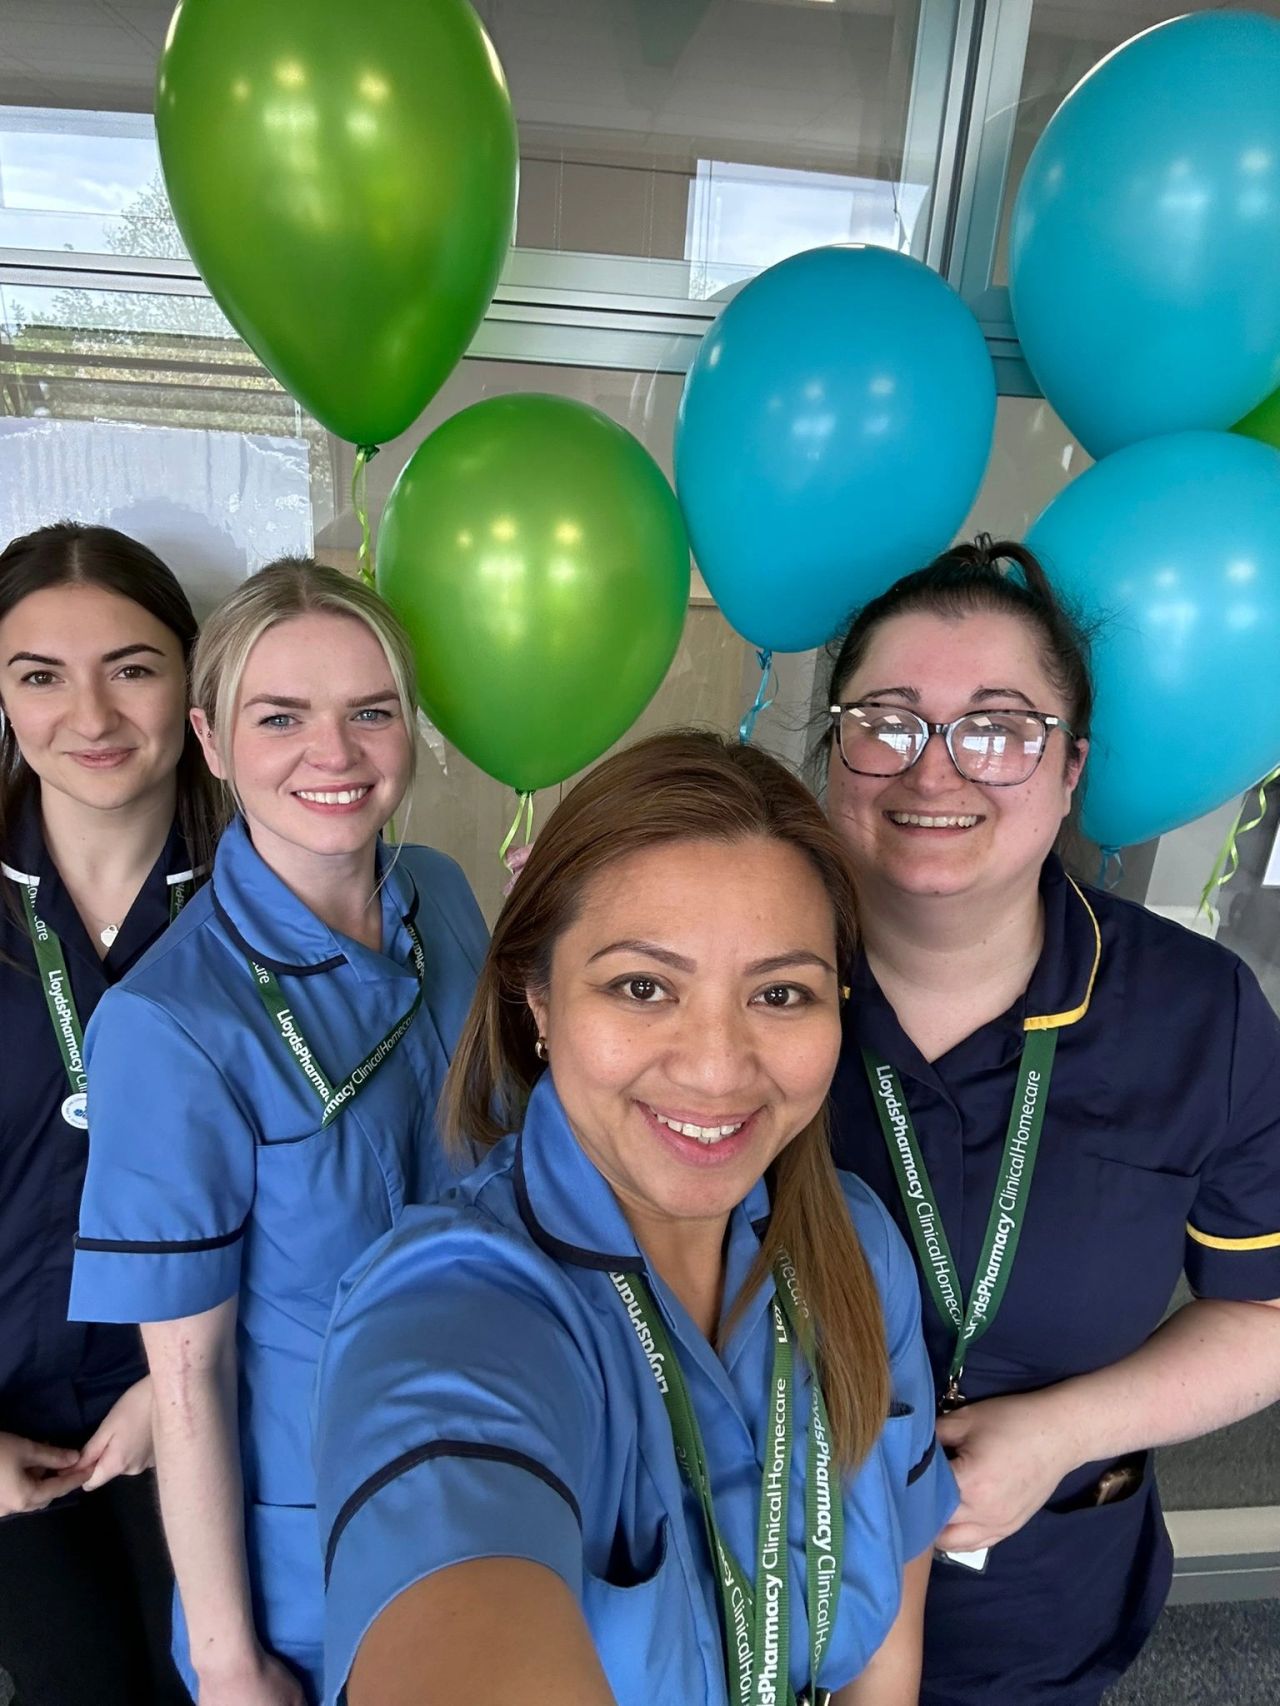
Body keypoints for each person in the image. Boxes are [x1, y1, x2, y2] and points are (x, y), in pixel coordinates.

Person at [314, 730, 958, 1706]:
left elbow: (887, 1650)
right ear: (535, 997)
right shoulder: (455, 1302)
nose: (714, 1064)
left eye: (779, 991)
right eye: (642, 985)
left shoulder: (858, 1244)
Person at [822, 537, 1280, 1706]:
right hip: (744, 1577)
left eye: (996, 726)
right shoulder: (739, 977)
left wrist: (1054, 1432)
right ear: (834, 751)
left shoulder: (1193, 1012)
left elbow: (1265, 1312)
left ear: (1068, 768)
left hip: (1033, 1603)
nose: (935, 770)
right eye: (887, 718)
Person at [69, 559, 489, 1706]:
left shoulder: (443, 897)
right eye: (281, 717)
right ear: (210, 739)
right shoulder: (169, 1022)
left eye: (370, 710)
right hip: (321, 1551)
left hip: (500, 1467)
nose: (335, 753)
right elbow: (188, 1380)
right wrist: (230, 1659)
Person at [0, 520, 221, 1706]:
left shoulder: (271, 901)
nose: (89, 715)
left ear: (191, 679)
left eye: (130, 666)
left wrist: (179, 1388)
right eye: (40, 674)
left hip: (212, 1414)